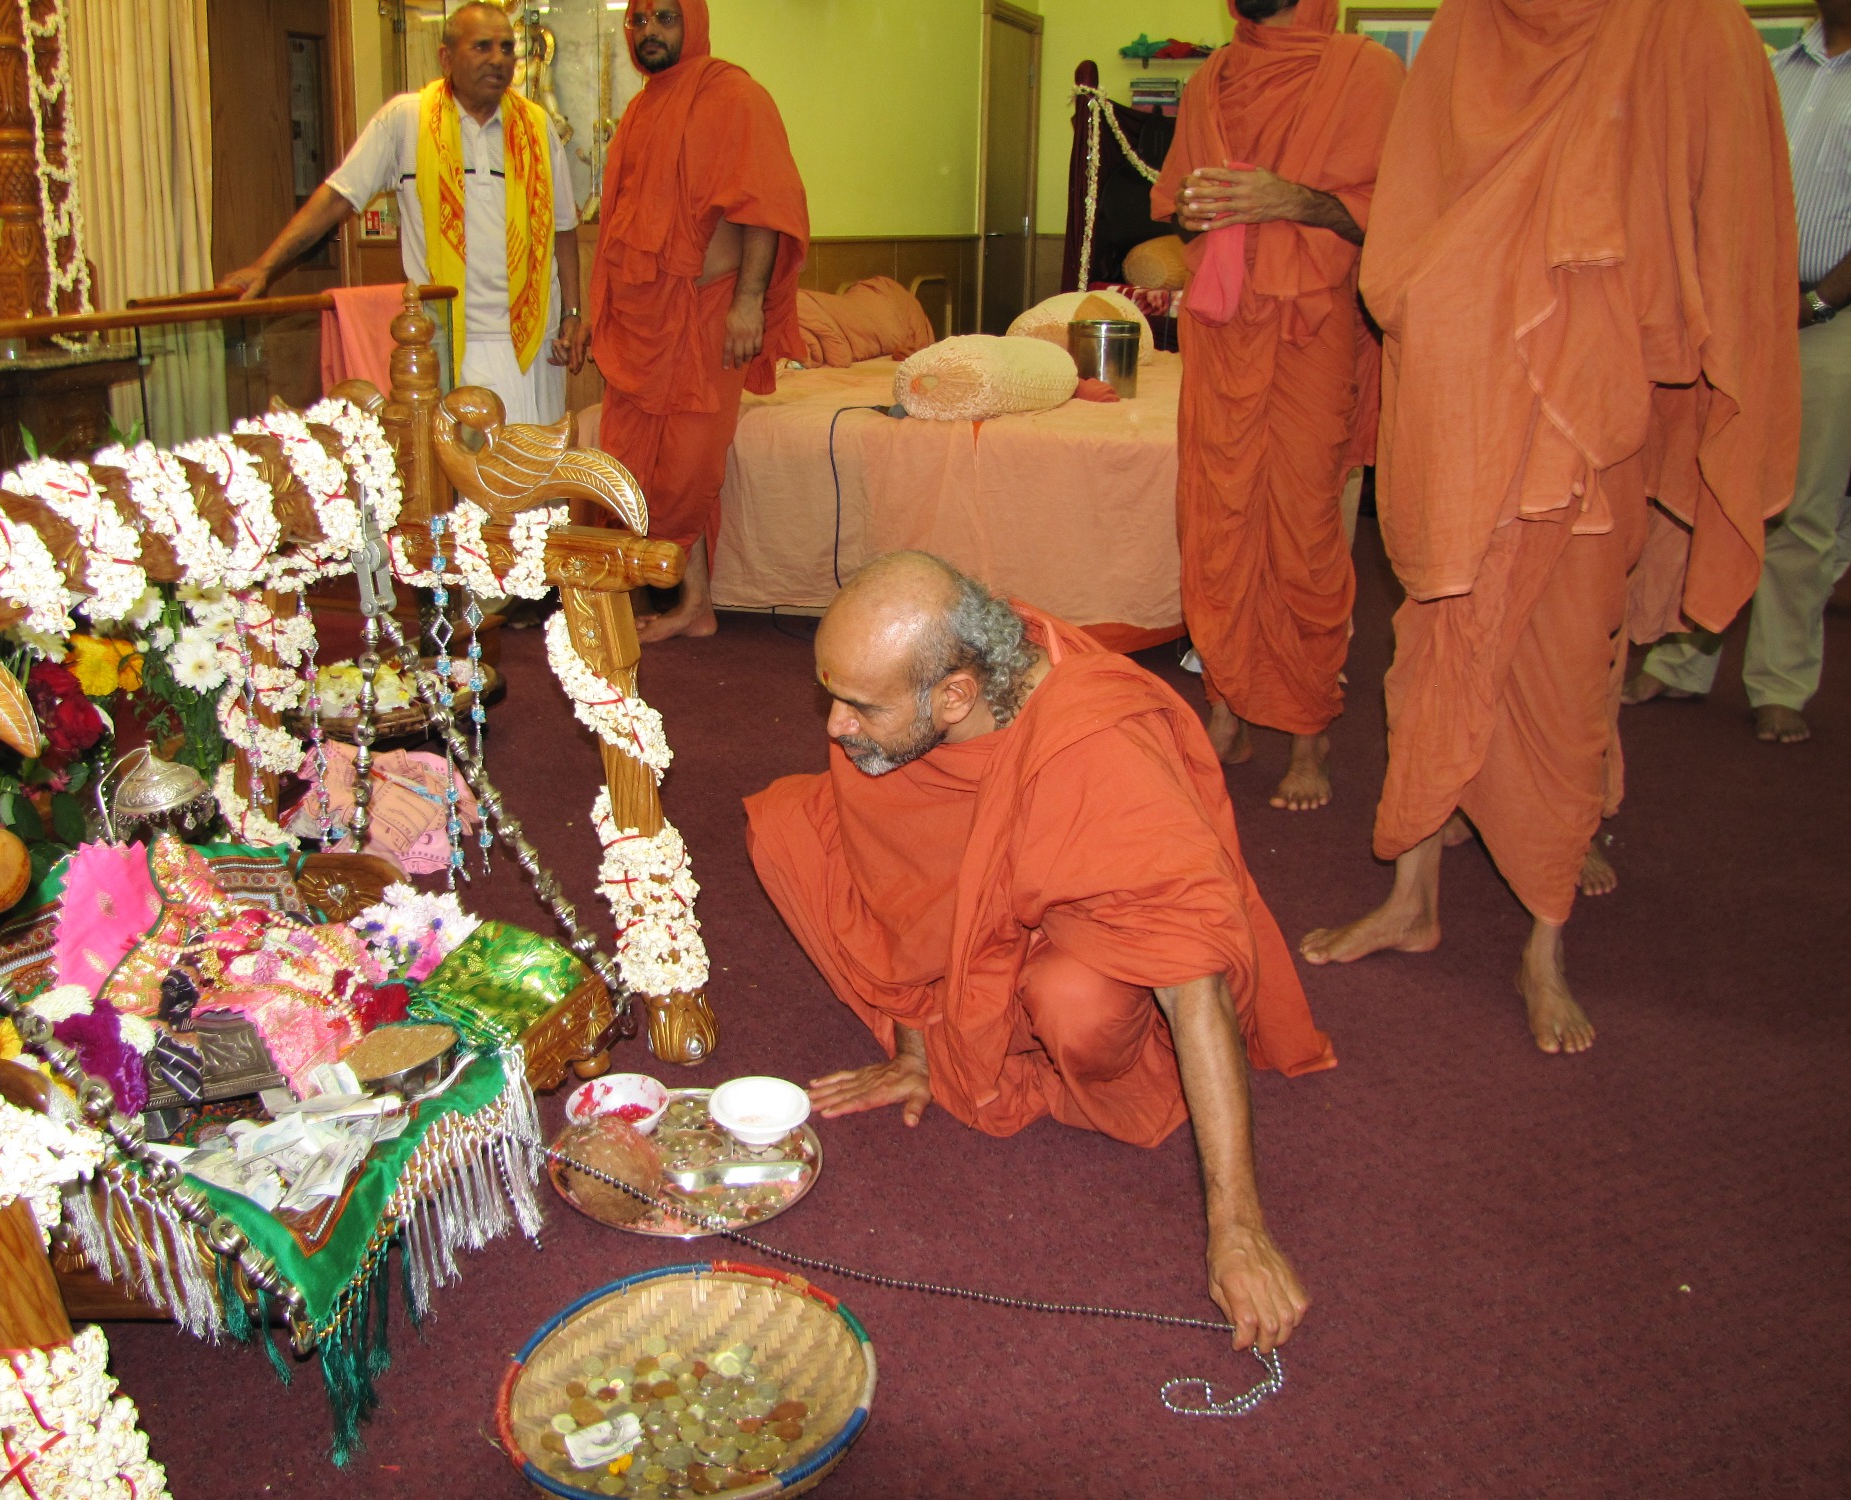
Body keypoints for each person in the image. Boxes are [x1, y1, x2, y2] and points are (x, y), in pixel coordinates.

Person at [1299, 0, 1799, 1054]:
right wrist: (1464, 293)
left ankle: (1544, 943)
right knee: (1437, 641)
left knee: (1567, 668)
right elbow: (1407, 225)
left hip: (1593, 403)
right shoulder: (1464, 29)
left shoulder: (1684, 23)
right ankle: (1412, 899)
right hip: (1464, 393)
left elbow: (1734, 208)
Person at [745, 552, 1334, 1352]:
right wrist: (916, 1044)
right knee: (786, 830)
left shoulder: (1097, 747)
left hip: (1078, 930)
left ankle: (1064, 1064)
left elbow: (1190, 983)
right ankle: (955, 1034)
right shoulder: (924, 691)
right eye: (833, 695)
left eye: (859, 706)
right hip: (977, 915)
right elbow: (894, 871)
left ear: (957, 696)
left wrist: (1239, 1230)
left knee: (1075, 1005)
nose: (834, 725)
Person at [1152, 0, 1402, 812]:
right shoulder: (1212, 79)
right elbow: (1179, 204)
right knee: (1215, 522)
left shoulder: (1368, 74)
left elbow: (1399, 211)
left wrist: (1288, 200)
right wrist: (1196, 212)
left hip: (1311, 335)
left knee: (1303, 531)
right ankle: (1226, 706)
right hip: (1221, 335)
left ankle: (1308, 731)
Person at [1624, 0, 1851, 745]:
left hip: (1824, 319)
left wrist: (1815, 301)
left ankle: (1779, 684)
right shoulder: (1767, 65)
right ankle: (1682, 660)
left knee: (1798, 508)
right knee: (1705, 482)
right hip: (1731, 313)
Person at [218, 3, 587, 424]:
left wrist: (572, 313)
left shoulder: (537, 127)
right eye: (482, 46)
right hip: (449, 341)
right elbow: (338, 197)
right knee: (461, 463)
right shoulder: (406, 120)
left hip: (533, 344)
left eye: (506, 48)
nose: (498, 59)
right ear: (446, 57)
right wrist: (265, 267)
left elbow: (563, 229)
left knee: (534, 462)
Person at [589, 0, 808, 643]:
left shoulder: (736, 96)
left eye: (665, 17)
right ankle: (682, 604)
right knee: (628, 463)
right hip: (642, 320)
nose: (649, 31)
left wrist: (748, 301)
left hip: (710, 311)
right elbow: (620, 225)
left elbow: (765, 207)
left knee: (688, 469)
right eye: (639, 20)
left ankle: (686, 603)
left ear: (694, 22)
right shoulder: (639, 111)